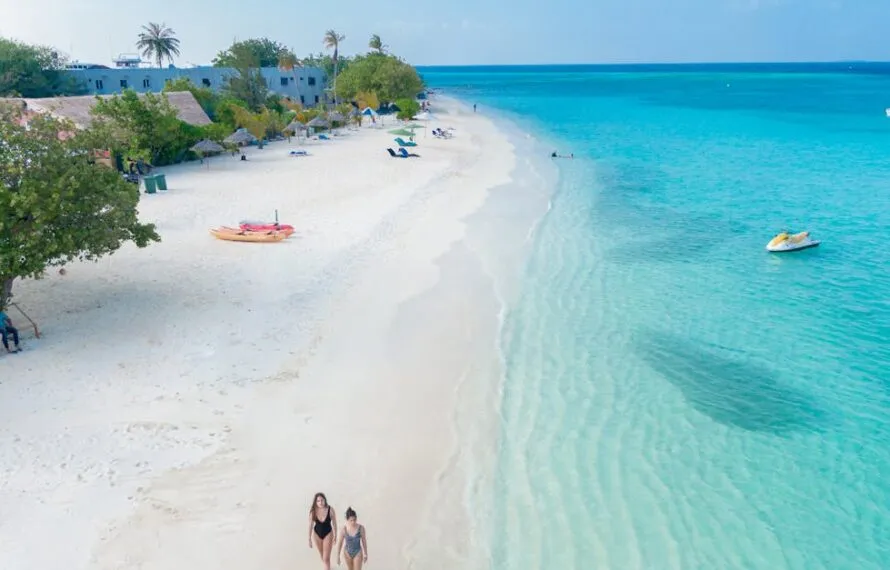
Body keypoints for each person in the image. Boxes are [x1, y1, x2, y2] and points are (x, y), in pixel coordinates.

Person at [309, 492, 338, 570]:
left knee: (326, 558)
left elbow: (334, 523)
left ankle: (327, 567)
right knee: (322, 555)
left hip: (328, 534)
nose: (320, 502)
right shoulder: (313, 511)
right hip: (316, 535)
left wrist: (335, 535)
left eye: (322, 500)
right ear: (315, 502)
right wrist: (309, 539)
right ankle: (328, 567)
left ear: (325, 500)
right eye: (318, 501)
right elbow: (310, 525)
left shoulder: (330, 510)